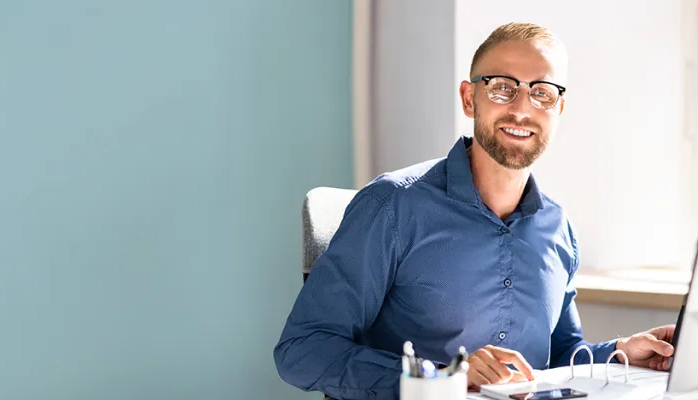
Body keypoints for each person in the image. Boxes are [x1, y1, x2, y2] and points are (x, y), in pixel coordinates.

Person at [274, 22, 676, 400]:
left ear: (558, 110)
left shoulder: (559, 229)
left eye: (542, 92)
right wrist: (445, 378)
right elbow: (302, 350)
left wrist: (621, 352)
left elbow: (559, 355)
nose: (522, 109)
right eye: (503, 88)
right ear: (470, 98)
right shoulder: (391, 207)